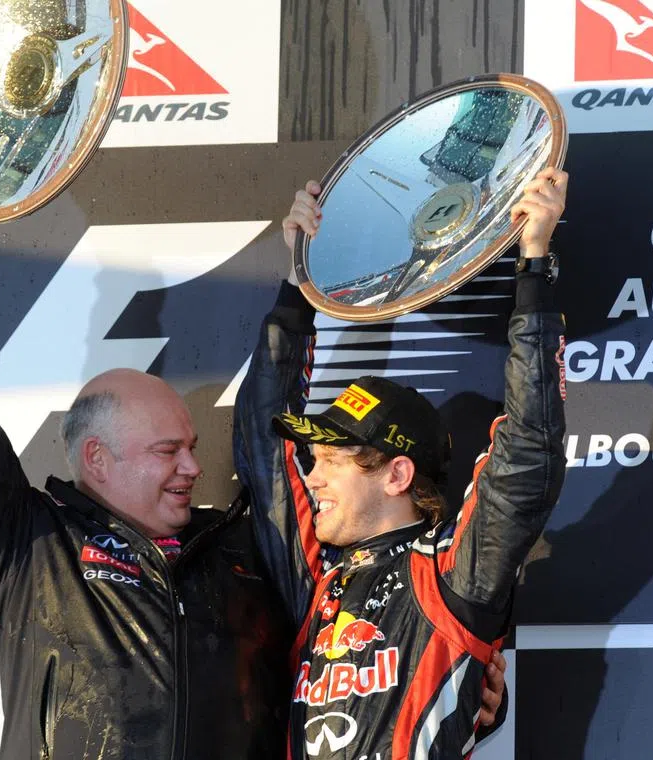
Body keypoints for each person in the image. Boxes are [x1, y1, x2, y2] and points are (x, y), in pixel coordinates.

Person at [0, 169, 507, 759]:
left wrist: (467, 686)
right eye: (168, 452)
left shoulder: (244, 549)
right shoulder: (29, 544)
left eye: (191, 446)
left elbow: (378, 643)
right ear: (98, 458)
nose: (193, 467)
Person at [234, 168, 568, 759]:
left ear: (397, 474)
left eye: (333, 460)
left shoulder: (449, 573)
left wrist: (534, 262)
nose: (311, 479)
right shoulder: (317, 579)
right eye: (315, 460)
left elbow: (528, 450)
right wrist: (297, 278)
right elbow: (263, 445)